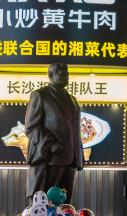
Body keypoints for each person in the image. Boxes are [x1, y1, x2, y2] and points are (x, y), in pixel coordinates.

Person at [25, 63, 83, 204]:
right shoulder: (40, 95)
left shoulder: (73, 100)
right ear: (50, 75)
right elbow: (31, 126)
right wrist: (50, 143)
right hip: (50, 159)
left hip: (71, 158)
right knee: (44, 202)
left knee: (65, 203)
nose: (66, 77)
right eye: (61, 73)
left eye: (67, 74)